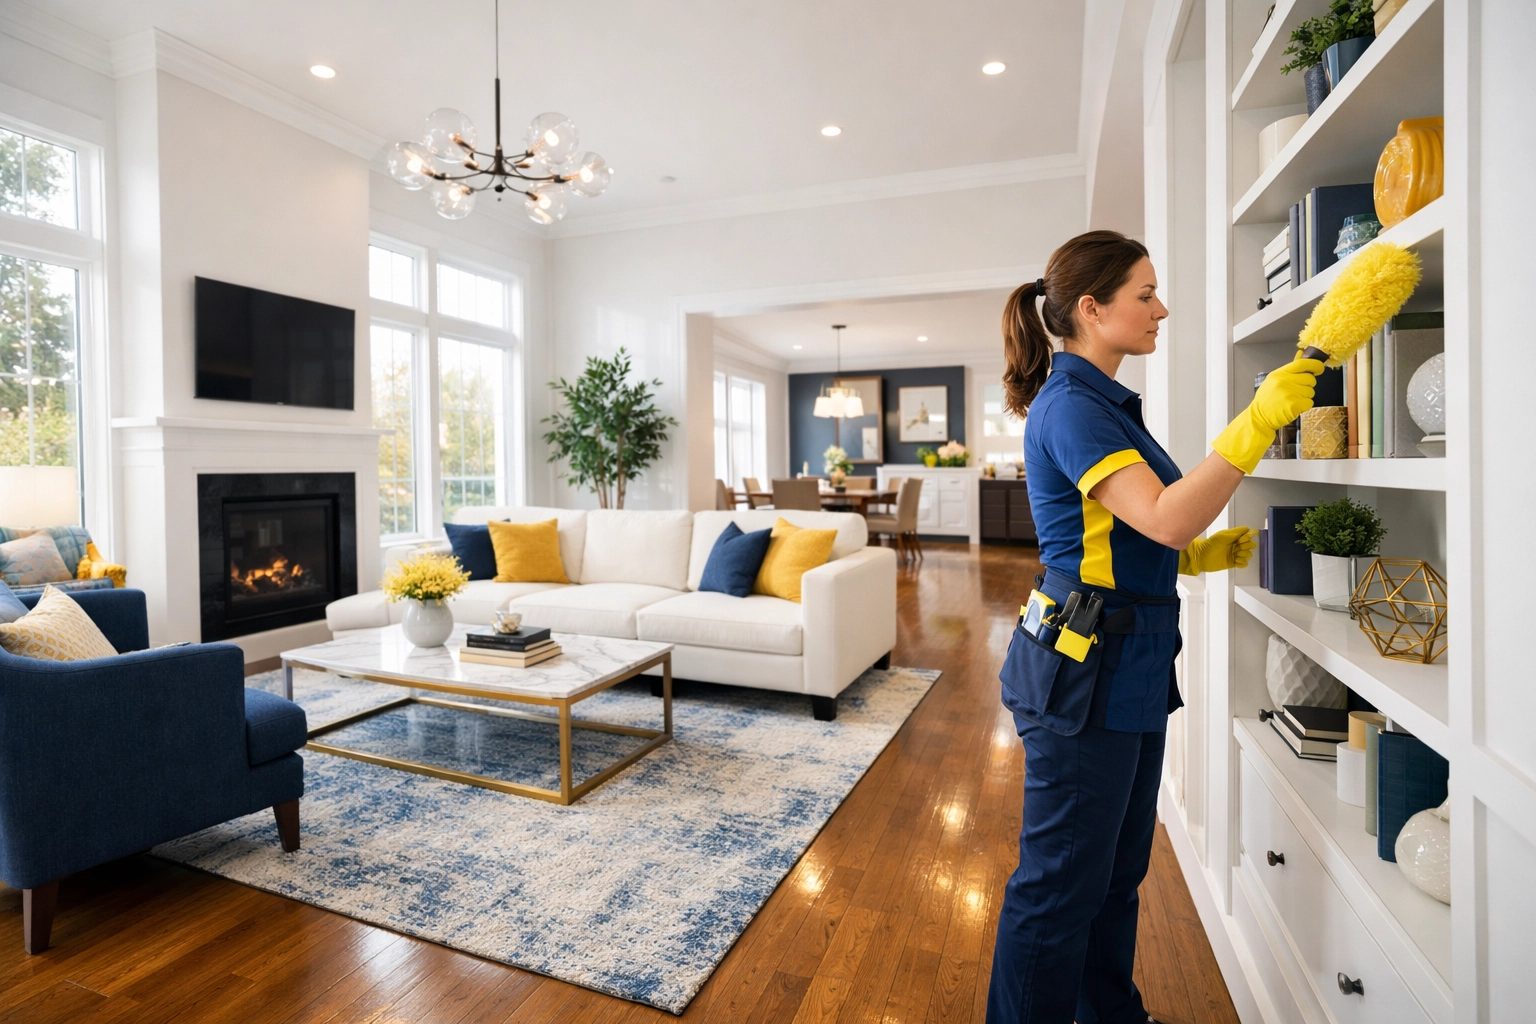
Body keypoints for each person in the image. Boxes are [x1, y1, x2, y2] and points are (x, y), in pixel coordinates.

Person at [986, 230, 1322, 1023]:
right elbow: (1165, 516)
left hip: (1126, 661)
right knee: (1059, 886)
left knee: (1113, 876)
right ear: (1092, 309)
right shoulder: (1072, 407)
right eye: (1145, 295)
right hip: (1082, 673)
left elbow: (1123, 534)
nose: (1161, 309)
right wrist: (1256, 422)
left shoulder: (1103, 404)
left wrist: (1192, 558)